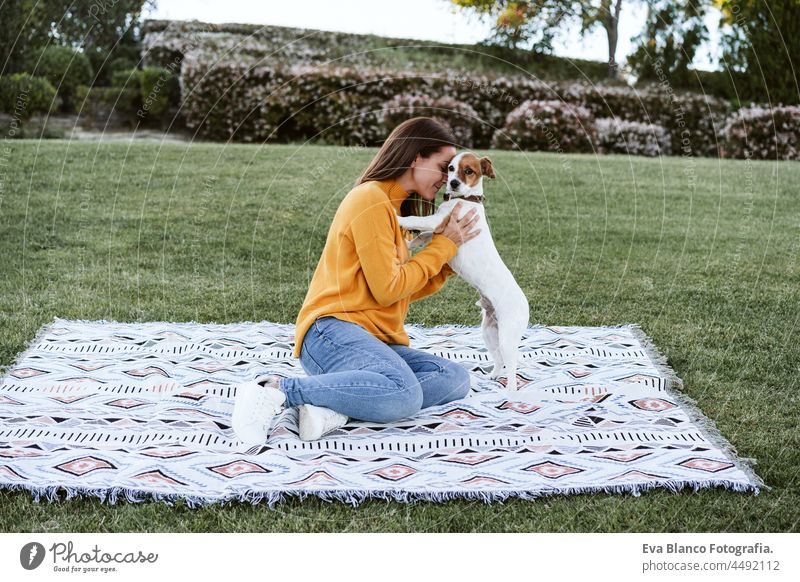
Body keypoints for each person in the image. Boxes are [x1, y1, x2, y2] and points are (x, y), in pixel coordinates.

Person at [232, 116, 482, 447]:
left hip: (373, 341)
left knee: (454, 378)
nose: (447, 177)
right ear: (414, 157)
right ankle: (275, 391)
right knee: (404, 393)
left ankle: (335, 409)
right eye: (442, 166)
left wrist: (450, 262)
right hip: (330, 333)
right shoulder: (370, 200)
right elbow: (388, 288)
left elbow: (400, 290)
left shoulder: (396, 211)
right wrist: (442, 246)